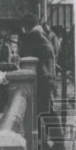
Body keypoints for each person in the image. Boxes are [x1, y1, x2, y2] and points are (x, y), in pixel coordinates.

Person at [18, 13, 57, 142]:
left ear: (26, 26)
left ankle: (57, 144)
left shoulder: (35, 36)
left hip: (43, 79)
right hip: (47, 78)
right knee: (44, 112)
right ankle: (44, 141)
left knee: (46, 113)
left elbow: (25, 54)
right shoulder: (41, 35)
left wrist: (24, 39)